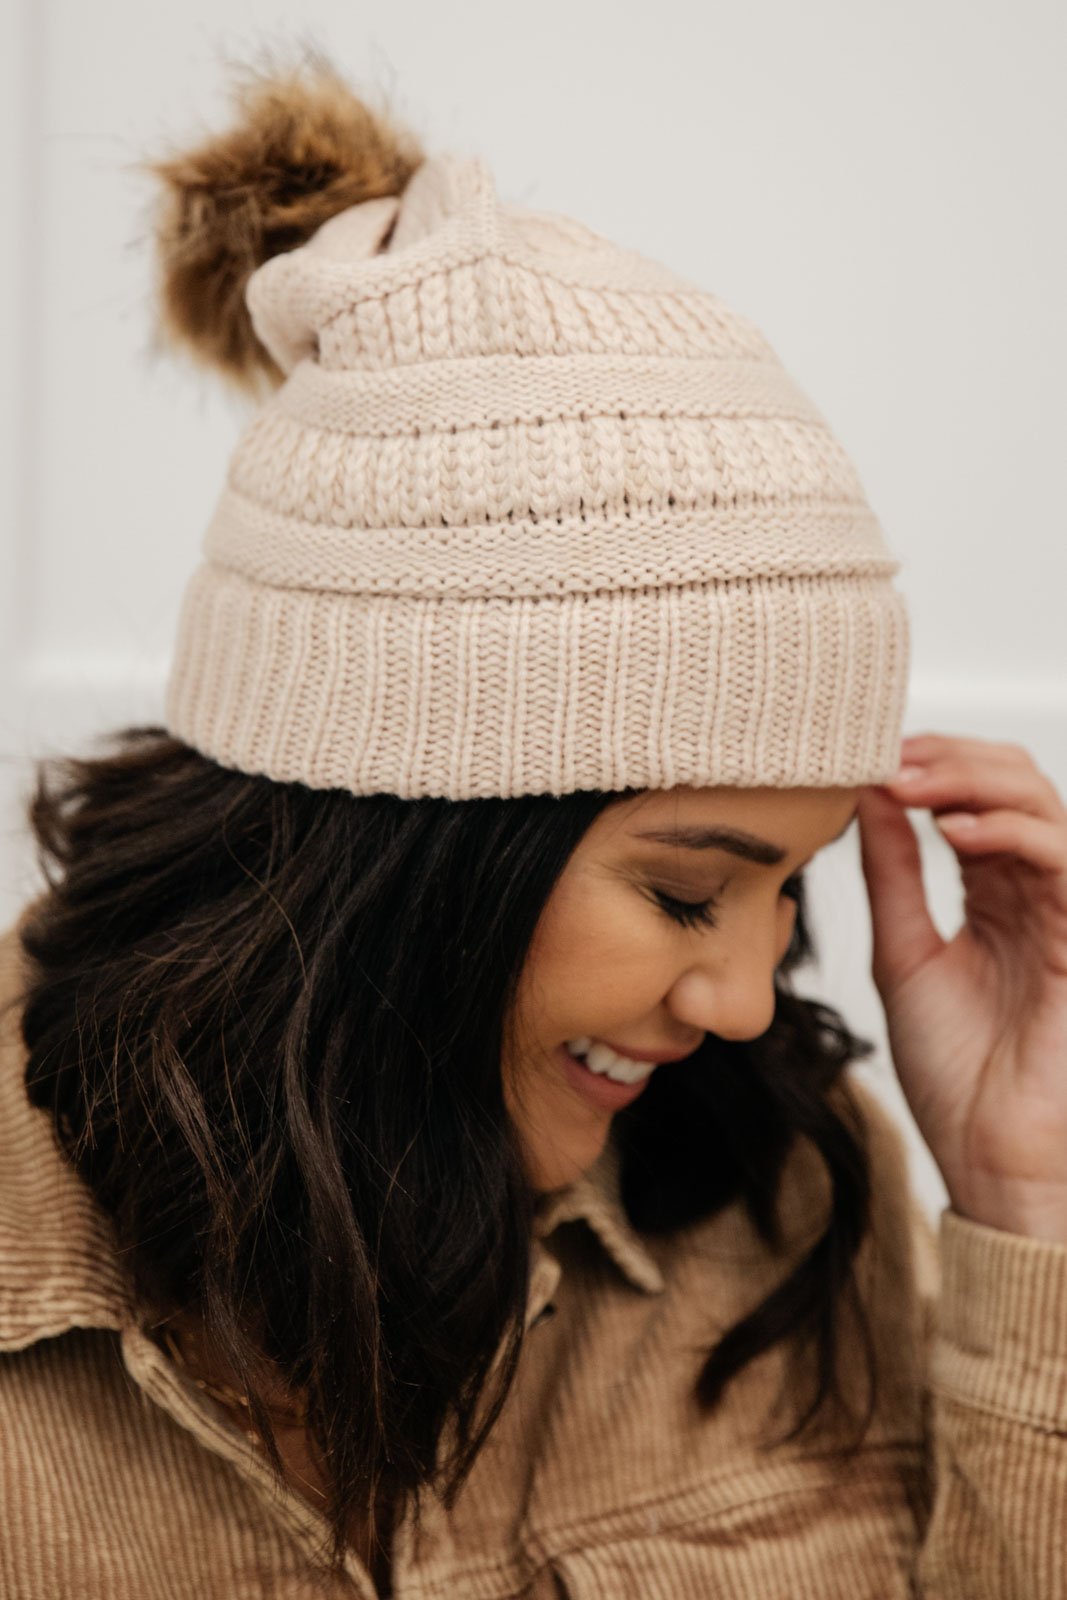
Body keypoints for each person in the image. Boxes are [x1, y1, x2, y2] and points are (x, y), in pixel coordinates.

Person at [1, 49, 1065, 1600]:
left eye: (792, 891)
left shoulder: (795, 1201)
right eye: (693, 893)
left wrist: (1024, 1203)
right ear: (400, 846)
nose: (752, 998)